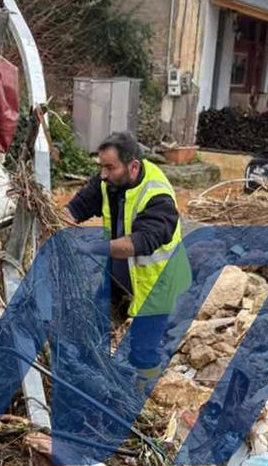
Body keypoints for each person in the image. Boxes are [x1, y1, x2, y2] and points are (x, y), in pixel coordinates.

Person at [64, 131, 189, 389]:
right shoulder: (107, 181)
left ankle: (142, 398)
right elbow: (75, 209)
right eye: (101, 166)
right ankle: (92, 381)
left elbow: (139, 244)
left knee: (143, 351)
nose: (103, 174)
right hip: (120, 274)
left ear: (133, 166)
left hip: (157, 282)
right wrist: (54, 223)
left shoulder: (158, 196)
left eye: (110, 167)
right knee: (95, 323)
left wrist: (90, 248)